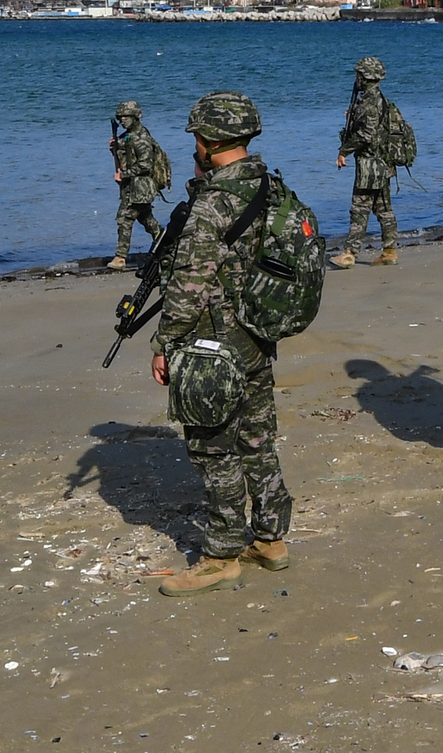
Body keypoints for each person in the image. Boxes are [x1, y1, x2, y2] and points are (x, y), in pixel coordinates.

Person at [150, 91, 293, 596]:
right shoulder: (270, 185)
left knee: (214, 449)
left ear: (209, 140)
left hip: (212, 343)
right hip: (257, 334)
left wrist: (165, 342)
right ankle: (271, 539)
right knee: (257, 438)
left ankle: (221, 555)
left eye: (197, 136)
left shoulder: (212, 202)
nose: (194, 143)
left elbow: (189, 282)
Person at [332, 56, 398, 268]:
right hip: (384, 164)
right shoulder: (381, 100)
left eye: (358, 75)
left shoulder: (369, 103)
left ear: (365, 77)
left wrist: (344, 150)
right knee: (384, 209)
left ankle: (349, 253)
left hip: (370, 165)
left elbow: (366, 135)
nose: (356, 79)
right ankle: (389, 251)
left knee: (359, 208)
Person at [107, 100, 164, 270]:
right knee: (146, 218)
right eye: (120, 117)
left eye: (125, 116)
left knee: (124, 218)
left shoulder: (141, 138)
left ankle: (120, 258)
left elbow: (145, 165)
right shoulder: (128, 136)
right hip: (132, 187)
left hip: (140, 187)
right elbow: (127, 156)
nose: (122, 120)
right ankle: (165, 243)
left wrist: (123, 175)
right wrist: (114, 148)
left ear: (135, 116)